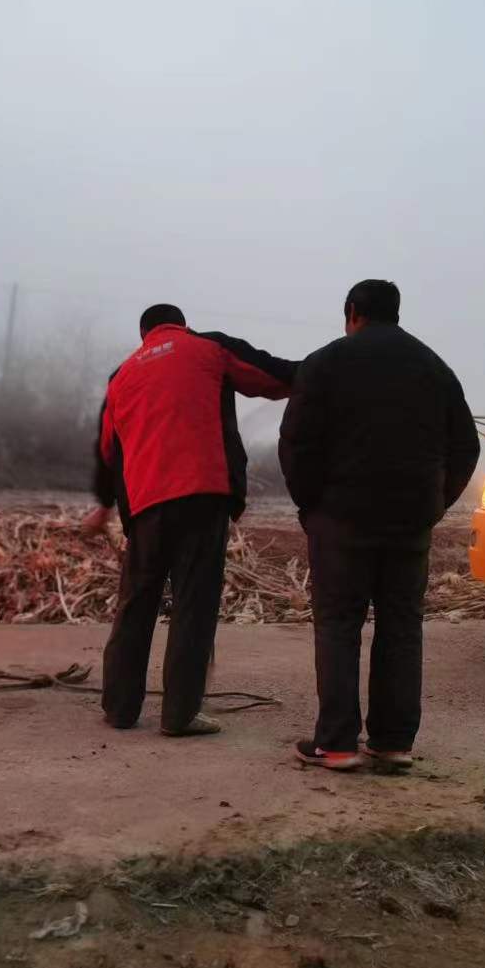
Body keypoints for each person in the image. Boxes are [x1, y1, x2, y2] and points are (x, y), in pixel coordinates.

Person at [278, 279, 478, 771]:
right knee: (401, 627)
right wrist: (436, 503)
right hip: (410, 523)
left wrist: (312, 507)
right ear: (396, 313)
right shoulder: (434, 368)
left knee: (339, 625)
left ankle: (338, 745)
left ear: (351, 313)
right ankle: (392, 744)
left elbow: (296, 443)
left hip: (341, 519)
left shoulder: (325, 362)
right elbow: (467, 447)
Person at [89, 304, 295, 736]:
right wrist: (330, 368)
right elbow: (275, 378)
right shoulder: (208, 347)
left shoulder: (121, 376)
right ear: (181, 324)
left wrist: (105, 504)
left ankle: (119, 709)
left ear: (143, 333)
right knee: (193, 605)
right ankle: (180, 714)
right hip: (202, 495)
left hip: (145, 506)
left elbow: (108, 451)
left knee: (135, 605)